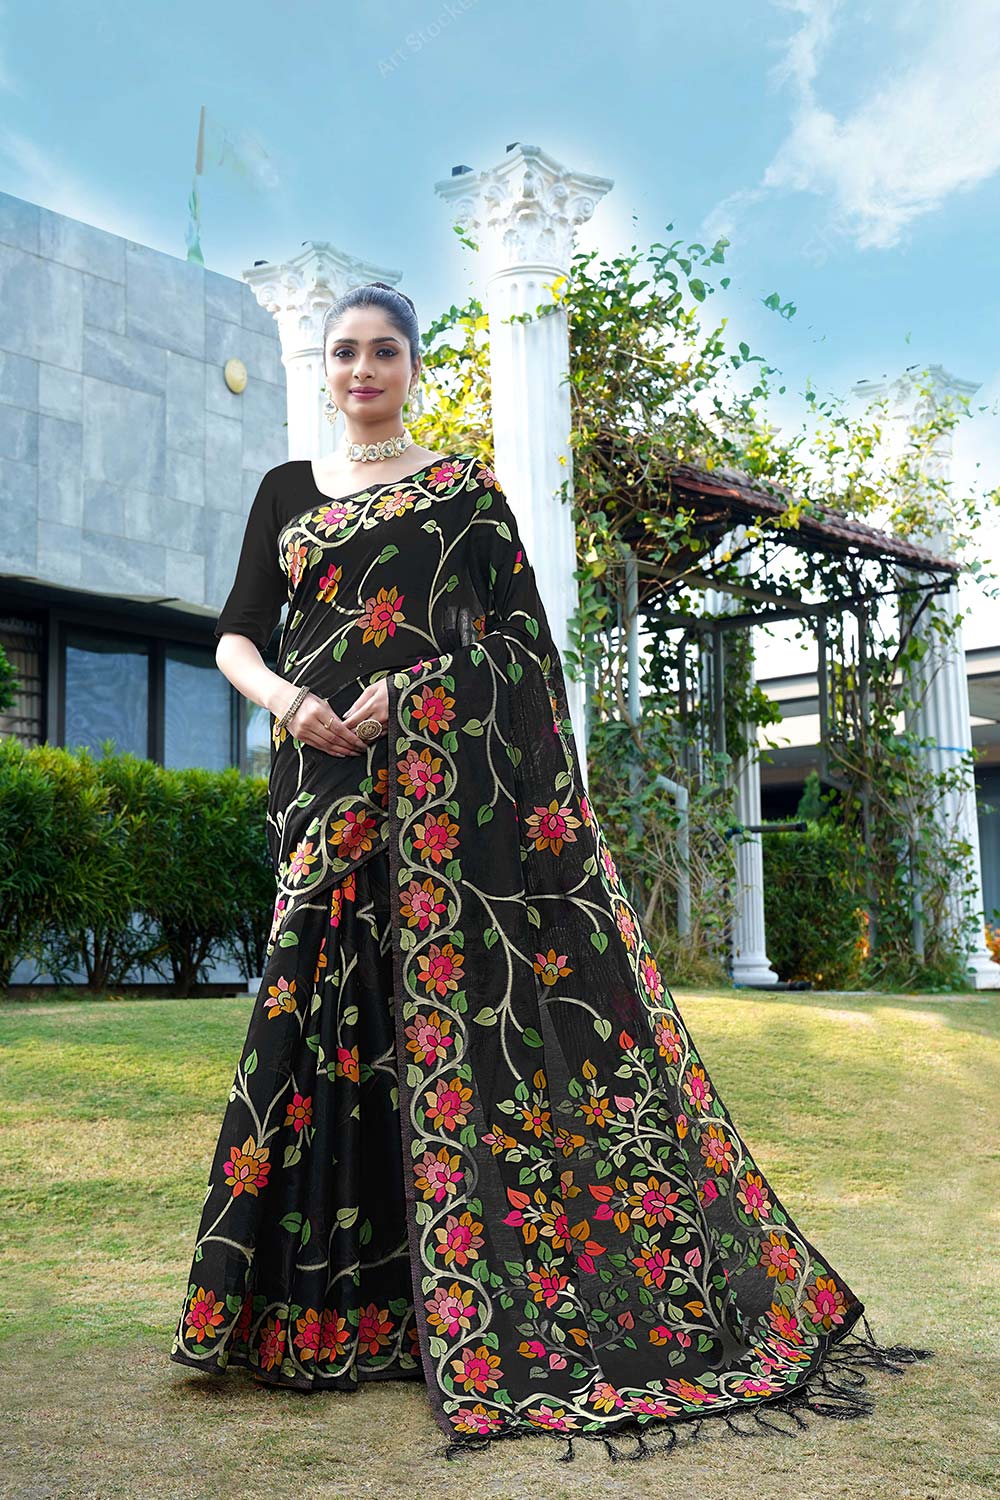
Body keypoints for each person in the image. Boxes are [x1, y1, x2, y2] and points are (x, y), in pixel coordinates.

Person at [169, 281, 928, 1460]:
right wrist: (290, 702)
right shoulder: (284, 491)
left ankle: (455, 1308)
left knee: (448, 1023)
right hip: (320, 783)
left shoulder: (464, 490)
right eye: (343, 351)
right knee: (317, 1020)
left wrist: (417, 694)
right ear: (323, 367)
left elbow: (521, 648)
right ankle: (316, 1314)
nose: (361, 369)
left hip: (443, 806)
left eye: (382, 351)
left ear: (413, 366)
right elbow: (235, 633)